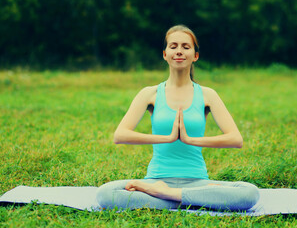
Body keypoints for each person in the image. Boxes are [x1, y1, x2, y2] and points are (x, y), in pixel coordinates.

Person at [96, 25, 259, 211]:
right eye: (173, 46)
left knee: (250, 193)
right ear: (165, 54)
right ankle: (195, 200)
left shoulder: (208, 95)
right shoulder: (150, 93)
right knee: (105, 194)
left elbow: (235, 139)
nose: (179, 51)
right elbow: (120, 135)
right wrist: (167, 138)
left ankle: (166, 197)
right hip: (156, 179)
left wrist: (190, 140)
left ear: (195, 56)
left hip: (197, 182)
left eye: (185, 47)